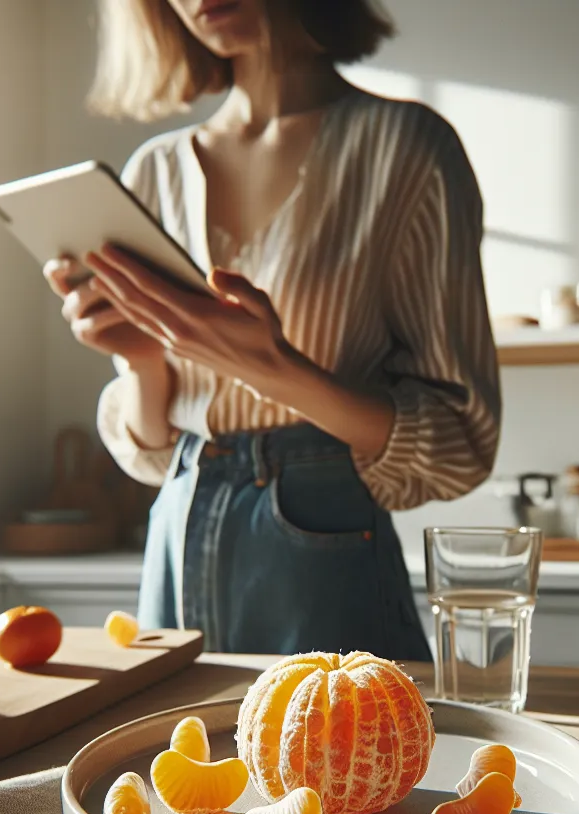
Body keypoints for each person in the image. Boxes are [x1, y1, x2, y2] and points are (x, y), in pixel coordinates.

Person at [45, 0, 499, 658]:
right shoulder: (155, 171)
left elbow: (461, 440)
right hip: (178, 523)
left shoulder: (408, 151)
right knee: (179, 756)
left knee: (343, 753)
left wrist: (276, 369)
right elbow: (150, 454)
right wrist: (143, 362)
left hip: (325, 546)